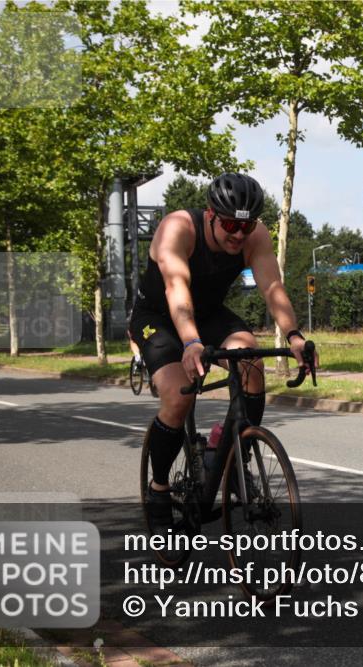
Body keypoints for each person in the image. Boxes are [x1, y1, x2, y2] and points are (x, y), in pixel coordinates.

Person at [129, 172, 316, 531]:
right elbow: (176, 288)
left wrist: (293, 335)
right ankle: (159, 487)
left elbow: (272, 286)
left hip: (209, 312)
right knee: (178, 393)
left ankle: (233, 460)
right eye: (230, 224)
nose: (237, 235)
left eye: (245, 227)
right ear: (211, 214)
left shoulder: (254, 235)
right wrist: (190, 342)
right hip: (159, 315)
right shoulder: (178, 228)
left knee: (250, 358)